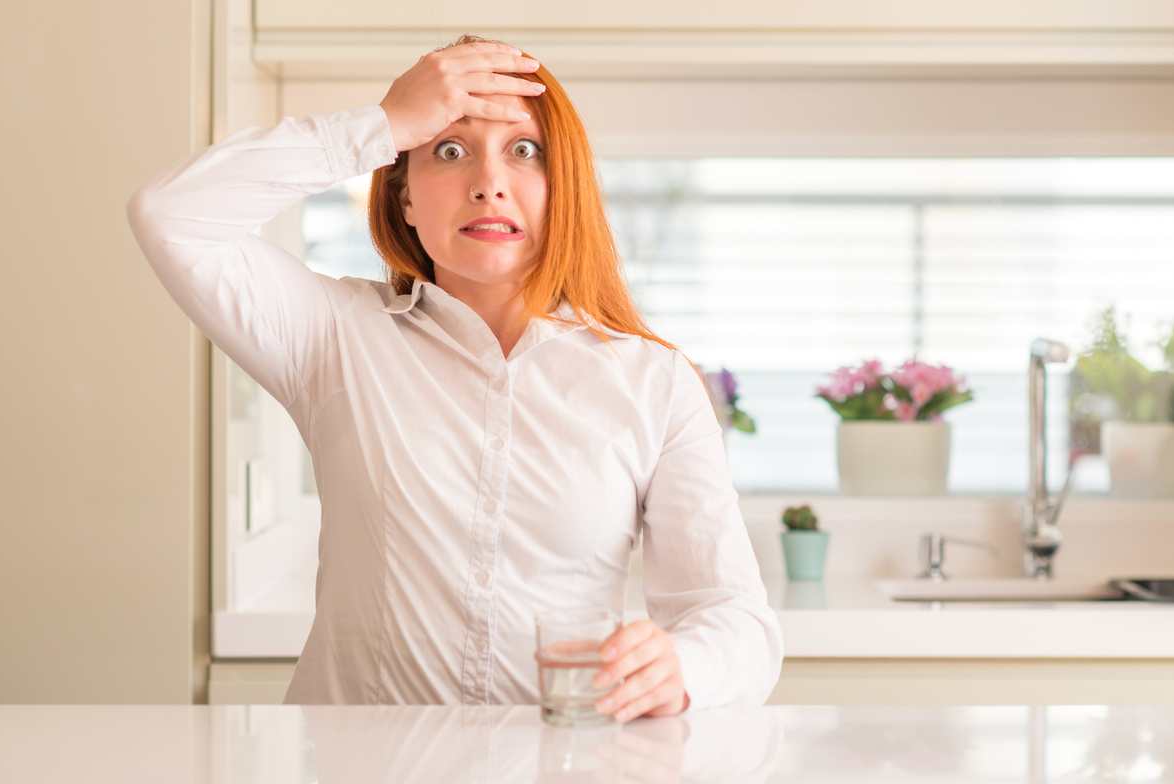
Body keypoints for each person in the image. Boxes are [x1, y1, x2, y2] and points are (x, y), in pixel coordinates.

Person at [126, 34, 783, 720]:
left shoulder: (654, 382)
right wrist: (383, 125)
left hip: (562, 759)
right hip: (358, 765)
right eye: (448, 149)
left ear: (563, 189)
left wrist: (683, 667)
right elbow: (170, 216)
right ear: (405, 198)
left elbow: (735, 618)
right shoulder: (334, 336)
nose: (488, 183)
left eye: (524, 150)